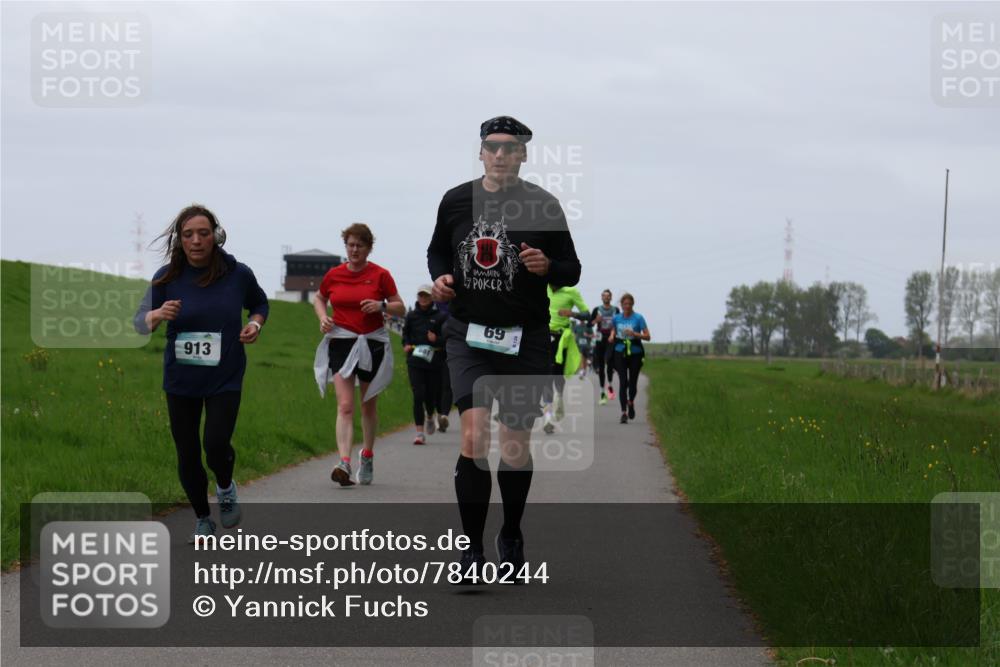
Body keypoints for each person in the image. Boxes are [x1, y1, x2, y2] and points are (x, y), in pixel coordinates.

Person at [428, 115, 581, 580]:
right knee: (474, 439)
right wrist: (441, 278)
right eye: (491, 146)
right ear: (480, 152)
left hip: (526, 339)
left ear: (522, 155)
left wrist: (547, 265)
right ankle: (471, 551)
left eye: (509, 147)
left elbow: (571, 270)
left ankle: (511, 530)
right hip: (469, 335)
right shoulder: (456, 200)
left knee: (515, 447)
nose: (499, 154)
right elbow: (437, 250)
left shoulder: (544, 205)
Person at [134, 204, 268, 543]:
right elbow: (139, 324)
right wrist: (158, 314)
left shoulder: (238, 274)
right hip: (181, 380)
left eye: (203, 233)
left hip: (225, 375)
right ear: (180, 239)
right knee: (188, 452)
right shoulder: (166, 277)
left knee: (215, 443)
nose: (196, 241)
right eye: (189, 234)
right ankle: (203, 518)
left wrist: (254, 324)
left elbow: (260, 303)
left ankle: (225, 487)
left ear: (216, 236)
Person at [313, 223, 405, 486]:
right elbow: (319, 298)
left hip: (372, 343)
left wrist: (382, 305)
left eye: (359, 245)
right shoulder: (334, 275)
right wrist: (323, 318)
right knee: (344, 406)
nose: (354, 250)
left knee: (367, 405)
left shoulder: (380, 275)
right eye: (350, 245)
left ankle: (366, 455)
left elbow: (402, 308)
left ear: (368, 248)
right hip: (341, 341)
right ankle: (344, 462)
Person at [542, 284, 589, 433]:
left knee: (557, 375)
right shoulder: (542, 287)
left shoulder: (571, 292)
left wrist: (572, 313)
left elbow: (587, 314)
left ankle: (559, 397)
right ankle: (548, 417)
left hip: (561, 338)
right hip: (542, 336)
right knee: (546, 376)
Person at [402, 285, 445, 445]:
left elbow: (446, 339)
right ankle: (419, 433)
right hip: (415, 360)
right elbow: (405, 333)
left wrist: (437, 340)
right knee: (418, 395)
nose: (423, 298)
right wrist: (406, 344)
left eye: (426, 296)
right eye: (421, 295)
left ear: (432, 297)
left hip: (434, 361)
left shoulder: (440, 317)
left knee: (430, 395)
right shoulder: (412, 315)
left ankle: (429, 416)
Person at [608, 292, 651, 424]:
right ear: (621, 305)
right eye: (624, 304)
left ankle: (630, 402)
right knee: (623, 381)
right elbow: (613, 330)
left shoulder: (638, 318)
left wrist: (634, 334)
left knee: (632, 382)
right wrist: (611, 335)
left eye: (629, 304)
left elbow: (648, 336)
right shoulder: (616, 318)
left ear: (633, 304)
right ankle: (623, 412)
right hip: (619, 351)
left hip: (635, 352)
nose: (627, 306)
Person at [591, 289, 620, 405]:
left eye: (608, 296)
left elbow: (619, 323)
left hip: (611, 338)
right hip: (599, 339)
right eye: (604, 296)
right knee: (601, 366)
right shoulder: (596, 310)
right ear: (601, 297)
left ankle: (610, 385)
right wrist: (595, 321)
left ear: (611, 298)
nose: (606, 298)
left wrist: (615, 334)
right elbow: (589, 323)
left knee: (608, 361)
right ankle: (603, 392)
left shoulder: (615, 310)